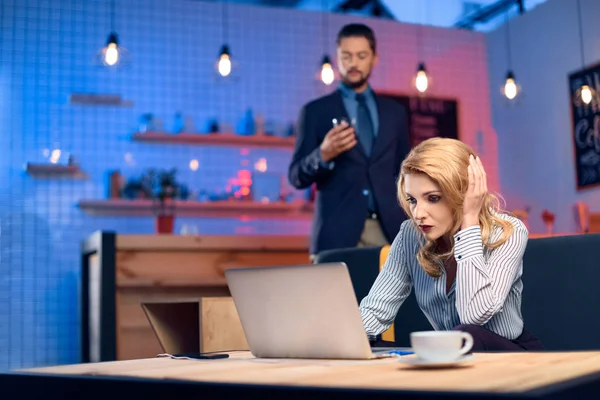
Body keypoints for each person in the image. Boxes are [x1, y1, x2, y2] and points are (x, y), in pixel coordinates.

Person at [359, 137, 544, 351]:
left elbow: (473, 316)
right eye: (412, 200)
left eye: (433, 198)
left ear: (463, 193)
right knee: (372, 346)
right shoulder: (410, 235)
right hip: (452, 353)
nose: (418, 214)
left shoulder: (508, 231)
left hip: (509, 355)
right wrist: (347, 340)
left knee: (467, 336)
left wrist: (469, 221)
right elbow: (376, 310)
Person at [288, 23, 410, 258]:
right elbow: (295, 176)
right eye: (346, 56)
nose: (353, 63)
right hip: (337, 235)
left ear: (374, 58)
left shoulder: (395, 112)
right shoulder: (315, 111)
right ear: (337, 58)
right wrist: (322, 154)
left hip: (391, 233)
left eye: (361, 56)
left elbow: (406, 172)